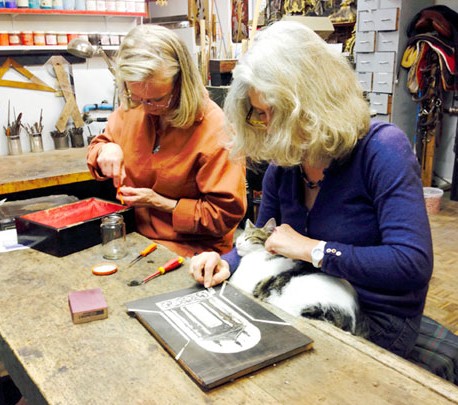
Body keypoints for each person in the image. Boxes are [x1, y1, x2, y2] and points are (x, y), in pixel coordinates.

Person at [189, 21, 433, 358]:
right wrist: (225, 262)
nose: (269, 127)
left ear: (315, 103)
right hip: (297, 296)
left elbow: (411, 264)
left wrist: (314, 249)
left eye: (277, 113)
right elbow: (264, 242)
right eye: (260, 114)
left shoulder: (383, 150)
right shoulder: (283, 166)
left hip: (377, 317)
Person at [87, 25, 247, 257]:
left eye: (156, 99)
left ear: (181, 83)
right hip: (136, 238)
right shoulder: (134, 108)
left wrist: (161, 202)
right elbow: (97, 147)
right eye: (136, 97)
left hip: (193, 252)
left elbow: (223, 216)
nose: (145, 108)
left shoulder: (215, 131)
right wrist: (105, 149)